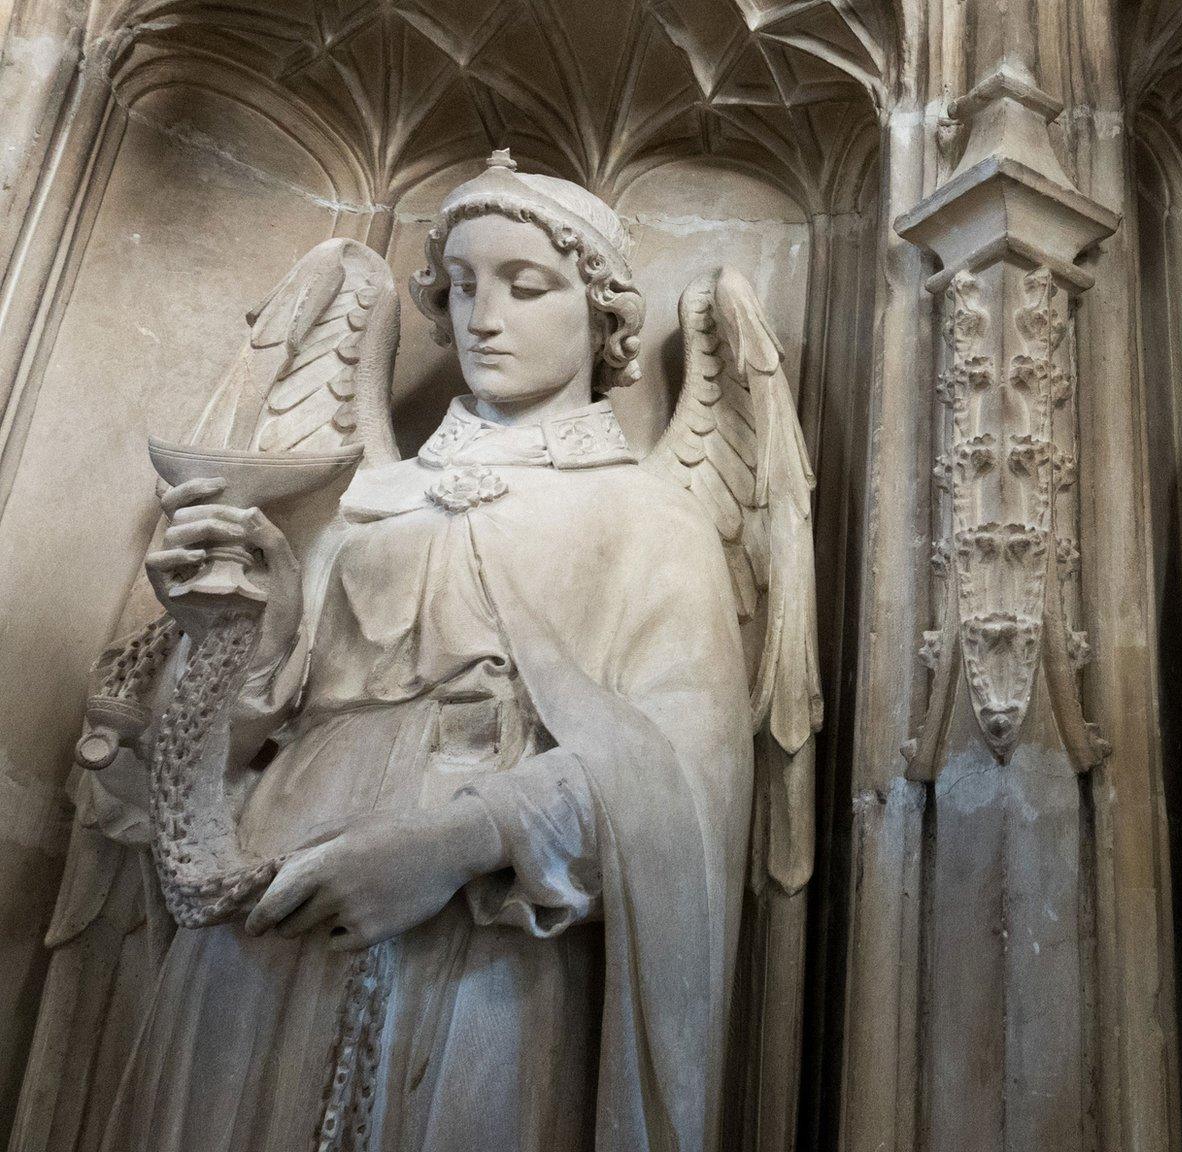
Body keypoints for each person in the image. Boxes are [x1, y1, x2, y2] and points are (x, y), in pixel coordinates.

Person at [100, 154, 753, 1152]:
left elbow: (683, 771)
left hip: (489, 912)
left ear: (602, 312)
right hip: (281, 876)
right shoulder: (364, 501)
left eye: (525, 286)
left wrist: (453, 844)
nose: (482, 316)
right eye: (459, 286)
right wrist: (240, 632)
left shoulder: (649, 517)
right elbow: (238, 748)